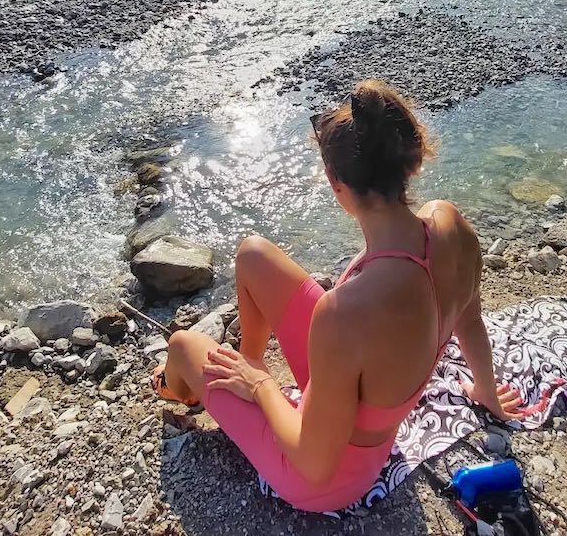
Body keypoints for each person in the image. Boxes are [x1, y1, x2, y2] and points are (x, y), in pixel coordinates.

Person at [153, 79, 529, 513]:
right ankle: (246, 361)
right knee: (253, 254)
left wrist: (260, 387)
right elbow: (470, 318)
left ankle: (175, 387)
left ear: (337, 185)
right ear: (407, 162)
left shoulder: (343, 313)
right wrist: (486, 392)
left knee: (182, 345)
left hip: (327, 477)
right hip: (360, 397)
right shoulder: (450, 225)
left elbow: (313, 464)